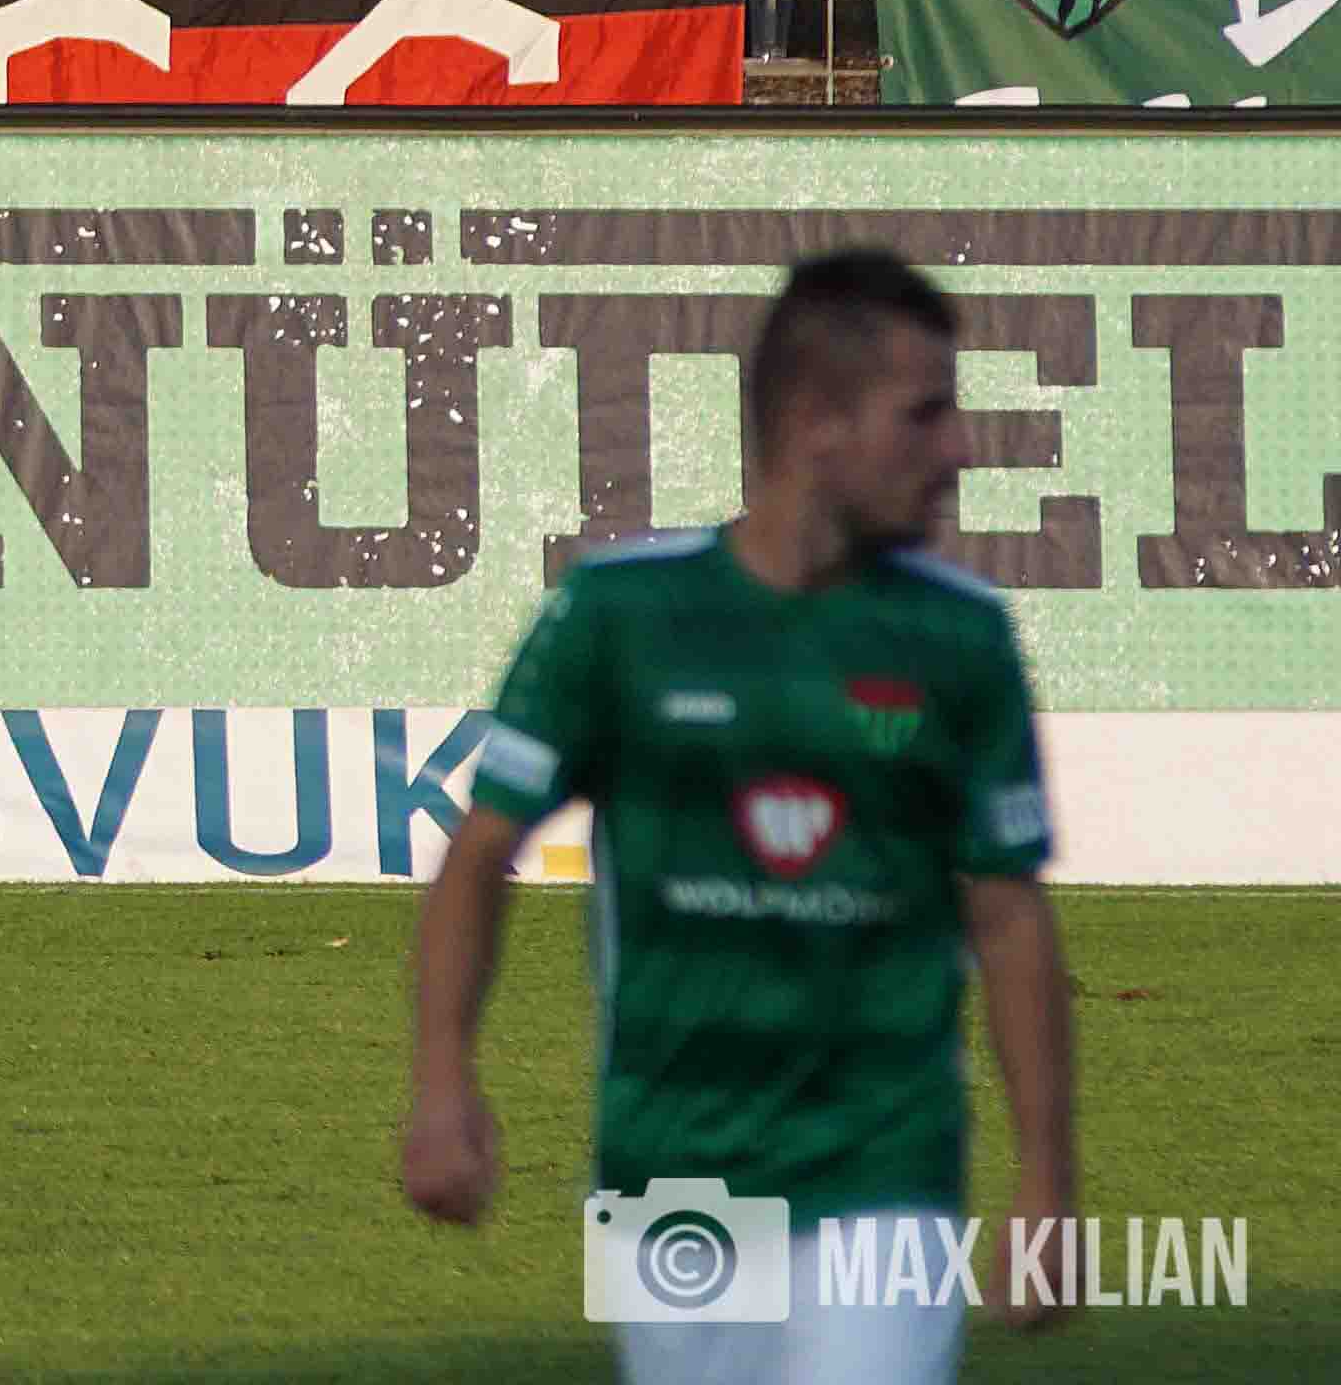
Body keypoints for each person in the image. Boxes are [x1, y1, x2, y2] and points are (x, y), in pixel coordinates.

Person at [407, 248, 1071, 1385]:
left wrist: (1047, 1185)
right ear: (817, 424)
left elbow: (1008, 915)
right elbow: (480, 853)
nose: (959, 449)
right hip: (671, 1181)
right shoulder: (621, 617)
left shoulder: (962, 638)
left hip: (882, 1177)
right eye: (925, 415)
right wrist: (440, 1085)